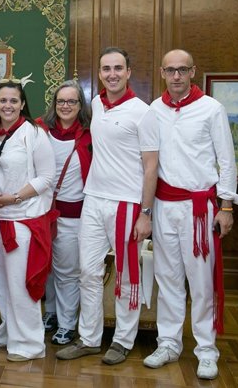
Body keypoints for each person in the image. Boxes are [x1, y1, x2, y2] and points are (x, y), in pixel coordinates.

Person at [143, 49, 238, 380]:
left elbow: (226, 160)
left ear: (193, 72)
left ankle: (205, 350)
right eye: (170, 70)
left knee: (200, 283)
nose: (176, 76)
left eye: (182, 70)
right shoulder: (154, 110)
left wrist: (226, 206)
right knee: (167, 278)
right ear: (161, 72)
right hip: (163, 206)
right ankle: (169, 343)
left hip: (199, 209)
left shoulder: (211, 109)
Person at [56, 47, 159, 365]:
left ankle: (123, 341)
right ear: (99, 74)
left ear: (129, 72)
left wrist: (146, 213)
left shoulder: (144, 112)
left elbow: (152, 166)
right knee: (87, 272)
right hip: (93, 200)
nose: (112, 73)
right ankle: (88, 338)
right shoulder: (95, 105)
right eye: (106, 68)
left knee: (128, 275)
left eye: (118, 68)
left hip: (127, 204)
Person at [0, 80, 55, 362]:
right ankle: (11, 329)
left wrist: (13, 197)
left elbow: (46, 177)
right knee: (0, 284)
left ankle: (29, 342)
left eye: (14, 101)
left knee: (19, 284)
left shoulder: (34, 134)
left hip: (21, 220)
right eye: (3, 101)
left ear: (23, 104)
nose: (8, 106)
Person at [39, 80, 92, 346]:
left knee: (67, 270)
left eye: (72, 101)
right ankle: (50, 312)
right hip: (41, 212)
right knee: (45, 266)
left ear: (80, 105)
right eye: (61, 101)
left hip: (73, 215)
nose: (66, 106)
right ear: (54, 104)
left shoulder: (90, 135)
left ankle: (68, 323)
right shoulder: (40, 129)